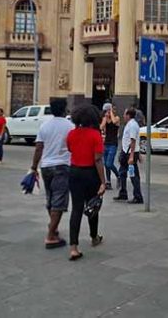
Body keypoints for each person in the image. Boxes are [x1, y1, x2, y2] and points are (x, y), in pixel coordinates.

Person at [30, 99, 74, 249]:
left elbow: (38, 148)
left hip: (46, 166)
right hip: (62, 166)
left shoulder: (45, 125)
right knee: (59, 201)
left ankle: (53, 228)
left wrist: (34, 167)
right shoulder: (70, 126)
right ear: (64, 110)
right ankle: (50, 236)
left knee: (50, 198)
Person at [66, 104, 106, 261]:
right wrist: (103, 181)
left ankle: (73, 247)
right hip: (91, 174)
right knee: (92, 206)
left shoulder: (71, 134)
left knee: (76, 209)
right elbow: (98, 160)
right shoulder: (95, 135)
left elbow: (70, 149)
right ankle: (94, 236)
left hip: (74, 172)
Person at [114, 108, 143, 204]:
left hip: (129, 153)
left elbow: (133, 141)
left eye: (124, 114)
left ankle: (138, 196)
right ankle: (123, 193)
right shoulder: (130, 124)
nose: (123, 116)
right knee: (122, 173)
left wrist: (132, 156)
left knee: (133, 175)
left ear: (128, 115)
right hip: (126, 152)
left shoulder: (133, 125)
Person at [100, 103, 120, 190]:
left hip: (113, 144)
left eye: (109, 110)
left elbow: (114, 122)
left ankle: (118, 175)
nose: (107, 112)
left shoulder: (117, 118)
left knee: (109, 163)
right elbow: (101, 127)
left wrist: (111, 112)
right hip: (106, 144)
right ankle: (108, 182)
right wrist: (105, 118)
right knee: (106, 164)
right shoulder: (105, 119)